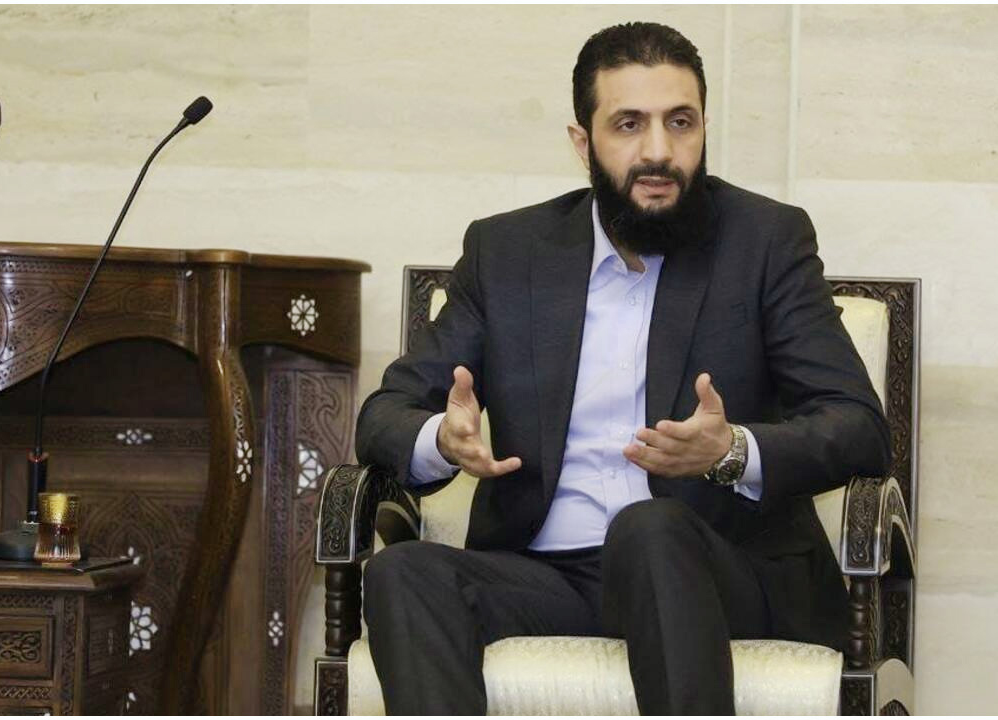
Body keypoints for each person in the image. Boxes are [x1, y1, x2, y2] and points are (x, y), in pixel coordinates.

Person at [354, 21, 891, 716]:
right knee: (404, 572)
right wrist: (441, 440)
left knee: (648, 529)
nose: (659, 151)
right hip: (549, 573)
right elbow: (385, 414)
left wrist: (732, 451)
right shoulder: (507, 252)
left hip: (716, 570)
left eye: (680, 122)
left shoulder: (765, 241)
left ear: (704, 128)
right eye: (629, 124)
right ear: (584, 143)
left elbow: (858, 426)